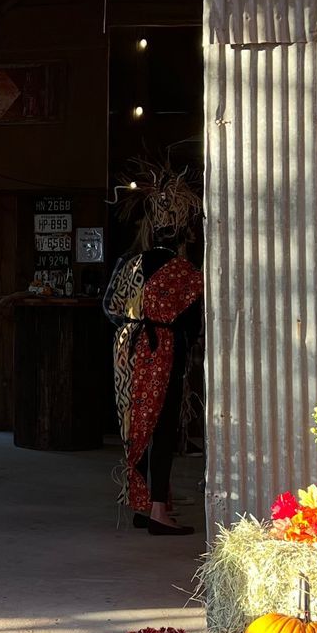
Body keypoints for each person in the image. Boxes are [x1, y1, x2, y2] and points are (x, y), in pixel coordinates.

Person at [102, 168, 202, 536]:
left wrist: (132, 330)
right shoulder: (185, 273)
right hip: (163, 351)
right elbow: (194, 326)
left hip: (126, 351)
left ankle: (141, 505)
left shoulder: (129, 265)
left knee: (134, 427)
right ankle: (160, 510)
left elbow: (110, 307)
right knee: (162, 427)